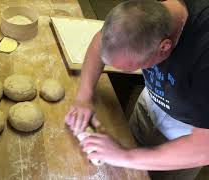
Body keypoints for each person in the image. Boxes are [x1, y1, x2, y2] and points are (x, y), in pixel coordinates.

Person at [65, 0, 209, 179]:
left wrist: (124, 156)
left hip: (186, 132)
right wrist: (83, 97)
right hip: (153, 100)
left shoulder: (203, 53)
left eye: (132, 68)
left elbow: (205, 146)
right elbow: (101, 41)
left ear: (164, 47)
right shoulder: (145, 13)